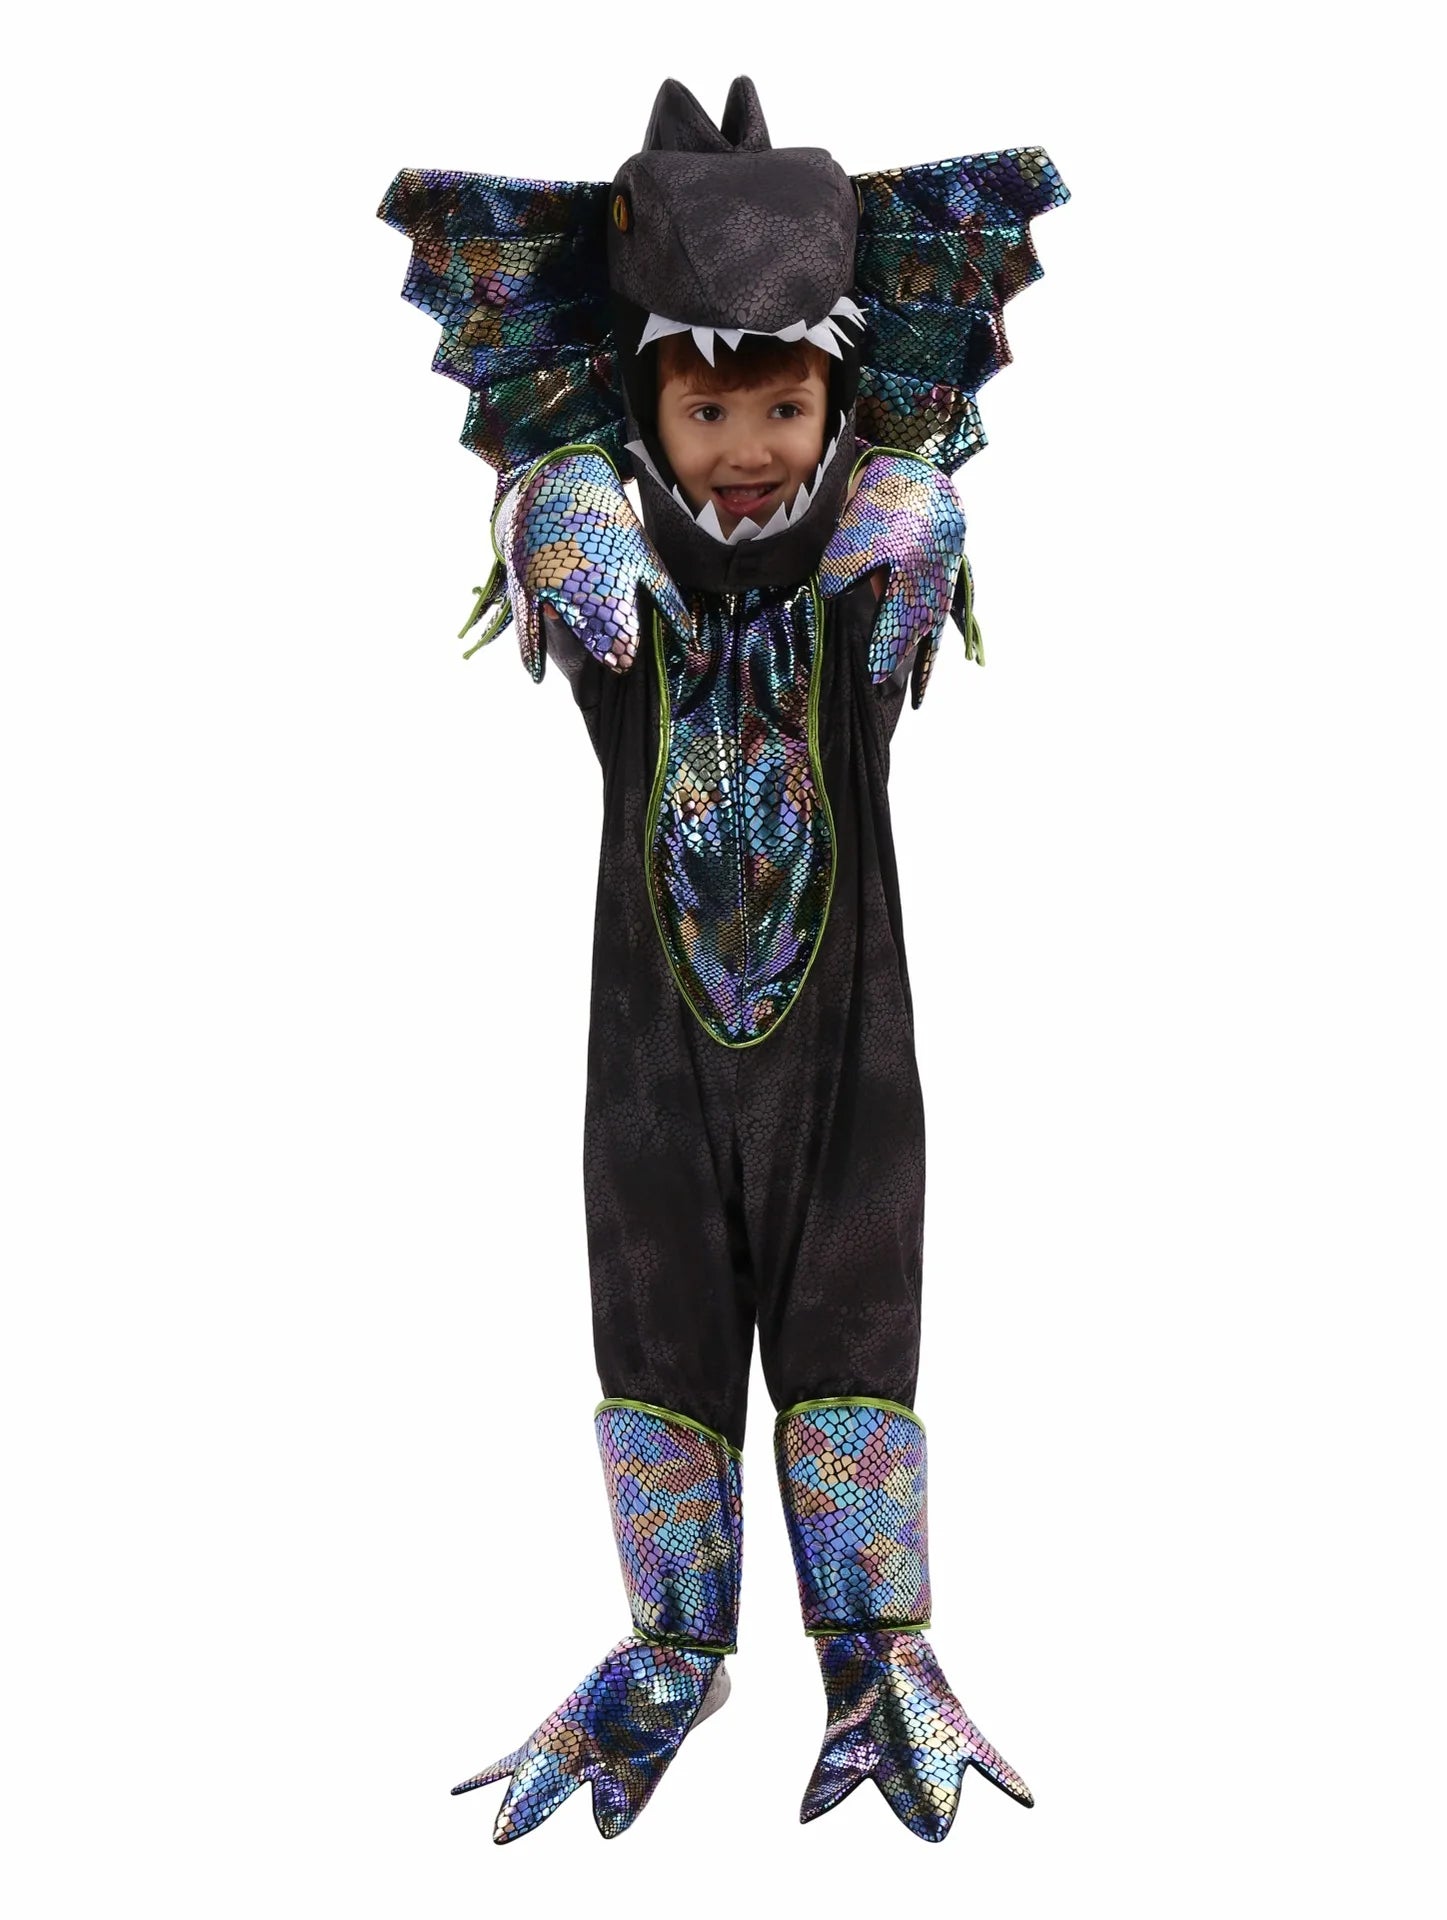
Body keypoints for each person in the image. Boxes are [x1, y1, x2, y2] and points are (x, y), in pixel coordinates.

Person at [378, 74, 1067, 1845]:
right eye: (708, 408)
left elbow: (904, 506)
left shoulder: (866, 562)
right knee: (658, 1313)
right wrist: (547, 500)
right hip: (651, 1068)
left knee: (857, 1310)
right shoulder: (616, 580)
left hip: (849, 1061)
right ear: (645, 405)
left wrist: (923, 506)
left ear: (840, 398)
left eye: (784, 404)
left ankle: (879, 1653)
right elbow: (554, 521)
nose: (749, 443)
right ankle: (671, 1647)